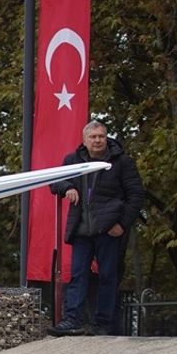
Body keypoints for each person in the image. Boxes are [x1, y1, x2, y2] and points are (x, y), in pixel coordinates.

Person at [48, 120, 145, 336]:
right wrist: (68, 187)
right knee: (77, 275)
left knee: (108, 276)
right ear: (85, 140)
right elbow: (54, 182)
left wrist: (122, 224)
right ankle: (72, 320)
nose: (98, 140)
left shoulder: (122, 162)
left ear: (107, 137)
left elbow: (136, 196)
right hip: (81, 230)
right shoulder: (72, 160)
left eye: (101, 136)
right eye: (93, 137)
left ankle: (103, 323)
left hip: (109, 230)